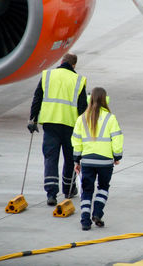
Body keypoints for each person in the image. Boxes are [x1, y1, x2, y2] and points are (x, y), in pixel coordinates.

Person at [28, 53, 88, 206]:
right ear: (74, 65)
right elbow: (82, 107)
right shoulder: (79, 80)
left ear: (62, 62)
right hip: (70, 126)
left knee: (50, 158)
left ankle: (51, 194)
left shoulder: (48, 76)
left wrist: (33, 119)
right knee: (70, 159)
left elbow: (37, 98)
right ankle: (68, 190)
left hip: (50, 124)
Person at [71, 87, 123, 231]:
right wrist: (117, 156)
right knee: (103, 188)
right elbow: (117, 139)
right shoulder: (110, 118)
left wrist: (77, 160)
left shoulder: (82, 118)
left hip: (87, 161)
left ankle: (85, 221)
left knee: (87, 190)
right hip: (105, 161)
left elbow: (76, 141)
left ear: (90, 99)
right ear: (105, 99)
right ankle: (97, 213)